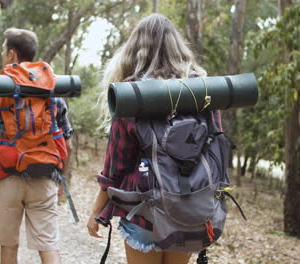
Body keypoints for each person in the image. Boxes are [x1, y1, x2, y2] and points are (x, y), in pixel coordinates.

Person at [87, 14, 221, 264]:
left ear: (135, 49)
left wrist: (98, 211)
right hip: (189, 211)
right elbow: (215, 152)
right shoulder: (204, 93)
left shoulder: (131, 95)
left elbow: (116, 165)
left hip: (144, 212)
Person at [0, 28, 73, 264]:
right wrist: (63, 178)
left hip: (7, 177)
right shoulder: (51, 90)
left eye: (4, 49)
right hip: (44, 175)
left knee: (9, 246)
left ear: (12, 54)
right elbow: (67, 143)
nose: (2, 53)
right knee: (48, 244)